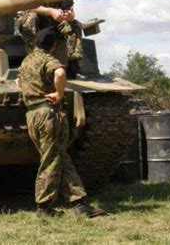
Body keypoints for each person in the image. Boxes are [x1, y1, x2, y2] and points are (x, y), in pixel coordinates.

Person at [17, 27, 106, 218]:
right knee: (51, 160)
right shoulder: (48, 60)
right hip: (48, 114)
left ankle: (79, 203)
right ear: (54, 45)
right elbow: (59, 73)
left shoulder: (26, 61)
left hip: (32, 114)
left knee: (60, 157)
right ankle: (44, 207)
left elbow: (18, 82)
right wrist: (58, 94)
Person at [16, 0, 83, 78]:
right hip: (38, 24)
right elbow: (26, 5)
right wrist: (50, 11)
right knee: (30, 17)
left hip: (56, 24)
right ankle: (35, 59)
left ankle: (73, 65)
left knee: (75, 25)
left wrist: (69, 16)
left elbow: (70, 9)